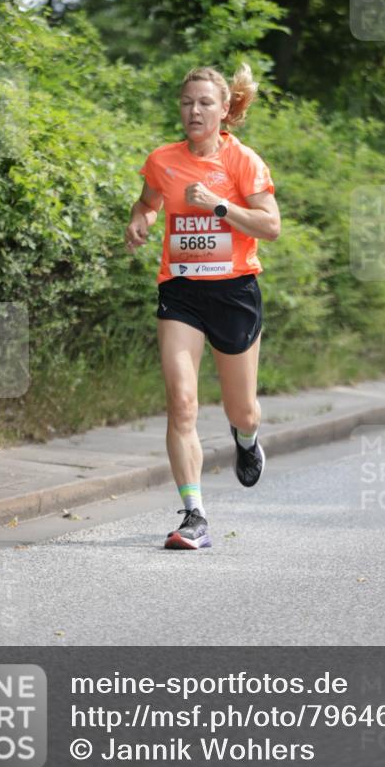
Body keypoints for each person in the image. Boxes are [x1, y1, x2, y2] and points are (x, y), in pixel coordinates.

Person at [124, 63, 280, 548]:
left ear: (225, 109)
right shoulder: (163, 159)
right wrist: (141, 219)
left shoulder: (242, 161)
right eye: (188, 102)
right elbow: (148, 200)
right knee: (182, 403)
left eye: (205, 102)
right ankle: (194, 514)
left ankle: (247, 440)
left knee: (244, 410)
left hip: (234, 292)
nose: (194, 110)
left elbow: (270, 225)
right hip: (182, 292)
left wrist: (218, 205)